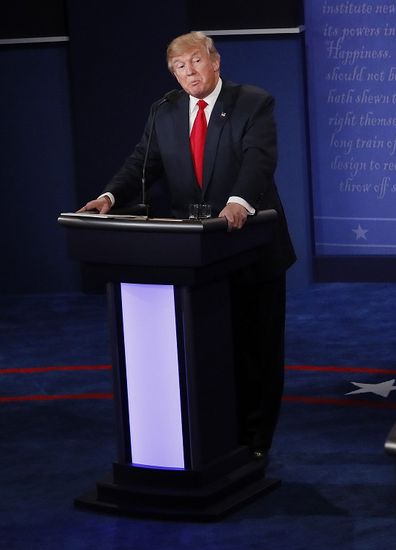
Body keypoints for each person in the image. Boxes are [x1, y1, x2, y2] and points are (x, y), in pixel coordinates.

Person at [79, 31, 296, 459]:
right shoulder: (166, 111)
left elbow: (259, 159)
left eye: (196, 61)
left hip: (250, 246)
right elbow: (142, 164)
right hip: (196, 257)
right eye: (180, 67)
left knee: (256, 350)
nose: (190, 72)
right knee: (209, 351)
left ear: (215, 61)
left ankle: (256, 442)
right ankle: (217, 437)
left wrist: (238, 201)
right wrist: (109, 197)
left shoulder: (252, 102)